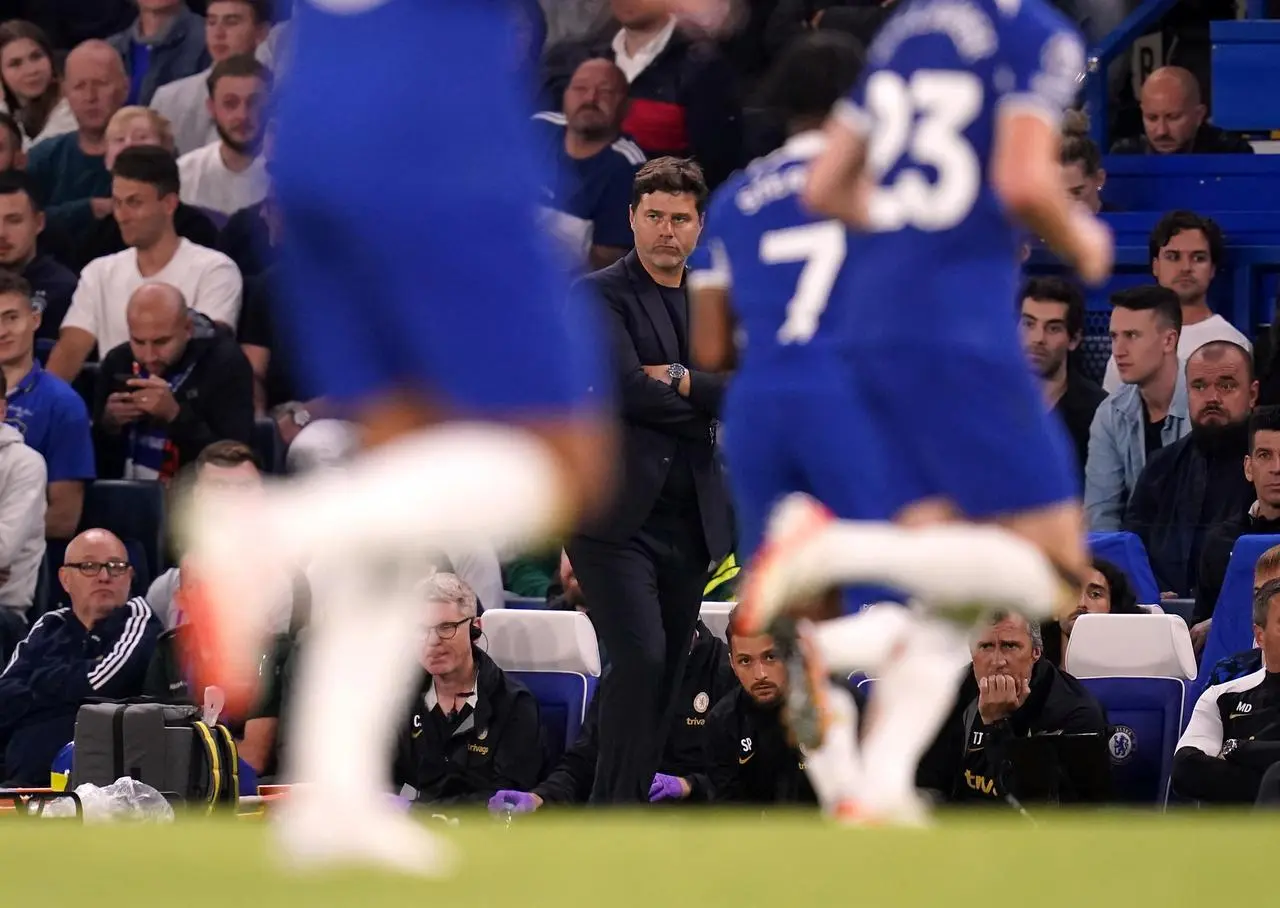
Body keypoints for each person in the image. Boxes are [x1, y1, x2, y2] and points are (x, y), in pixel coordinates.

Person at [168, 0, 741, 876]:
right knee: (570, 461)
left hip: (320, 125)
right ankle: (272, 531)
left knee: (404, 481)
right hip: (431, 132)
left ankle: (337, 789)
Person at [730, 0, 1113, 825]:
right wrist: (1082, 242)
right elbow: (1021, 176)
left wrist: (902, 238)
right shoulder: (1037, 34)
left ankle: (876, 782)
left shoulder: (904, 35)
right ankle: (829, 548)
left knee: (947, 583)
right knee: (1056, 574)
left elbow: (834, 187)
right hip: (958, 332)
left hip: (863, 335)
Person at [568, 156, 732, 805]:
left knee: (661, 683)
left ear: (699, 225)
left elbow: (743, 388)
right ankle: (610, 818)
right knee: (638, 660)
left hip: (691, 517)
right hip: (612, 521)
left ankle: (622, 810)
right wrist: (703, 403)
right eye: (656, 216)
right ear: (633, 216)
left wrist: (680, 377)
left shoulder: (715, 299)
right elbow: (625, 389)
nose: (668, 230)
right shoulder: (597, 293)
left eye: (681, 218)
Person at [0, 528, 160, 786]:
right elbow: (4, 698)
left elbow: (101, 684)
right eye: (89, 566)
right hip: (17, 786)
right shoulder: (50, 625)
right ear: (65, 579)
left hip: (99, 795)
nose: (105, 576)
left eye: (116, 566)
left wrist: (38, 680)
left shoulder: (138, 619)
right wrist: (69, 683)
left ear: (130, 576)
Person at [916, 612, 1108, 805]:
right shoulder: (948, 696)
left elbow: (1050, 812)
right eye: (985, 647)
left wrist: (998, 726)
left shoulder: (1075, 711)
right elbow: (928, 788)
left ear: (1035, 652)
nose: (997, 662)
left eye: (1010, 646)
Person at [1101, 211, 1250, 394]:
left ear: (1212, 269)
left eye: (1198, 258)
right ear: (1155, 266)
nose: (1186, 267)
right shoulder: (1127, 339)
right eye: (1173, 257)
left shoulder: (1232, 342)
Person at [1084, 285, 1188, 530]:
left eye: (1131, 335)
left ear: (1169, 340)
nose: (1118, 351)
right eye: (1114, 336)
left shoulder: (1206, 406)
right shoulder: (1109, 414)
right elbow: (1100, 516)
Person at [1173, 578, 1280, 804]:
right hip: (1239, 832)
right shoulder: (1222, 696)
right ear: (1260, 636)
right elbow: (1186, 769)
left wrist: (1238, 750)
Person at [1017, 276, 1106, 482]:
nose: (1038, 338)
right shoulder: (990, 404)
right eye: (1029, 324)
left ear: (1073, 340)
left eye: (1053, 328)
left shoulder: (1100, 414)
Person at [1041, 558, 1142, 667]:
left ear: (1112, 607)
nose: (1081, 603)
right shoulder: (1034, 676)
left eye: (1095, 594)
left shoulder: (1134, 671)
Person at [0, 21, 77, 150]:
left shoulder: (69, 108)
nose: (31, 70)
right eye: (15, 64)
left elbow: (30, 161)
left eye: (36, 57)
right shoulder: (13, 110)